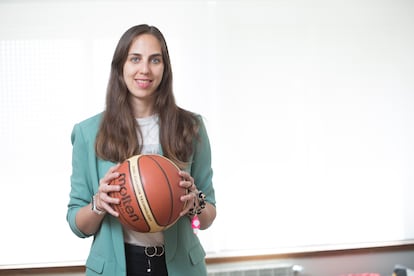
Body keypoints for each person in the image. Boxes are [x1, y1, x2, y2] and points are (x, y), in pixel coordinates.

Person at [66, 24, 216, 276]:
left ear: (165, 69)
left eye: (154, 60)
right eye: (135, 58)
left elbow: (207, 217)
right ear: (120, 66)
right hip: (117, 268)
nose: (144, 69)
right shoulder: (87, 132)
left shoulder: (191, 127)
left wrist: (195, 205)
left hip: (179, 268)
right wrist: (99, 204)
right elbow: (78, 226)